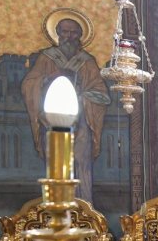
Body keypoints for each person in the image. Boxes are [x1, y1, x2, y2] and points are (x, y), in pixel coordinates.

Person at [21, 17, 110, 201]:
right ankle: (56, 206)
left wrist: (81, 97)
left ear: (80, 36)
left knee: (81, 161)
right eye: (65, 32)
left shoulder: (87, 62)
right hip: (52, 120)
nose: (69, 37)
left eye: (74, 33)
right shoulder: (47, 57)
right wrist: (48, 79)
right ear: (58, 34)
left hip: (82, 121)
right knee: (55, 160)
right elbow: (29, 84)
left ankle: (84, 206)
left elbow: (100, 92)